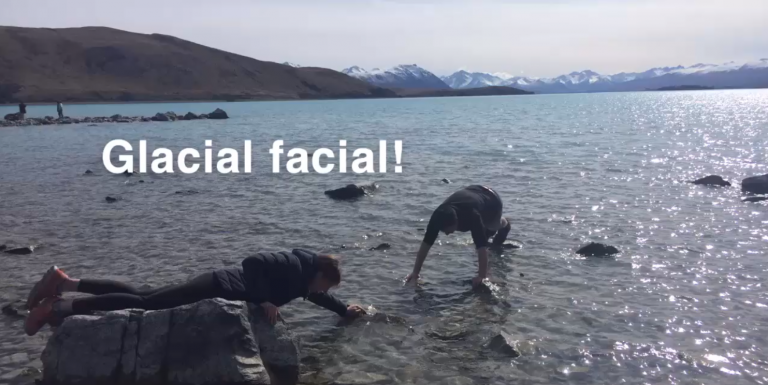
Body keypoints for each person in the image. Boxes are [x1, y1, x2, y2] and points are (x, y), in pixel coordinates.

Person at [24, 249, 367, 336]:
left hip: (224, 286)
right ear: (320, 272)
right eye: (328, 284)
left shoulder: (304, 281)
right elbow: (251, 262)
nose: (324, 290)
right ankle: (60, 307)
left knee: (145, 293)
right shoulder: (294, 266)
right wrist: (263, 299)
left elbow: (317, 297)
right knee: (147, 303)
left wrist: (344, 310)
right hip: (220, 284)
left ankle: (64, 282)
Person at [404, 185, 511, 287]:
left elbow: (481, 247)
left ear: (456, 222)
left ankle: (506, 224)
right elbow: (426, 244)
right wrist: (415, 273)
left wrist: (481, 277)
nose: (446, 234)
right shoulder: (438, 216)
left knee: (492, 226)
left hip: (492, 201)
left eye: (447, 230)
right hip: (474, 192)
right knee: (484, 234)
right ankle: (487, 233)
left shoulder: (472, 216)